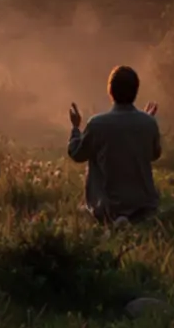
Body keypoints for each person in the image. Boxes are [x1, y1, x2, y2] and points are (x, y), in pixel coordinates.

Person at [67, 65, 161, 225]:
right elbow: (154, 154)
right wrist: (144, 120)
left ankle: (114, 216)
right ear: (136, 91)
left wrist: (76, 128)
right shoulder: (149, 122)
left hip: (107, 206)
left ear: (110, 91)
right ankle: (131, 218)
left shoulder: (97, 124)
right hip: (145, 205)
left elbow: (77, 154)